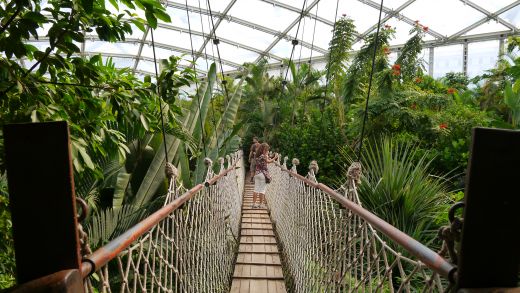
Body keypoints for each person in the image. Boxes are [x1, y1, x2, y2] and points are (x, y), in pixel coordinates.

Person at [252, 142, 278, 208]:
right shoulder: (263, 156)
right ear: (263, 149)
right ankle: (261, 204)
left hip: (257, 174)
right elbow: (268, 161)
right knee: (262, 190)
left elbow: (267, 159)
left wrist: (268, 156)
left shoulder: (257, 155)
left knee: (256, 189)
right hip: (263, 174)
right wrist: (275, 157)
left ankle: (254, 204)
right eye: (266, 150)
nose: (267, 151)